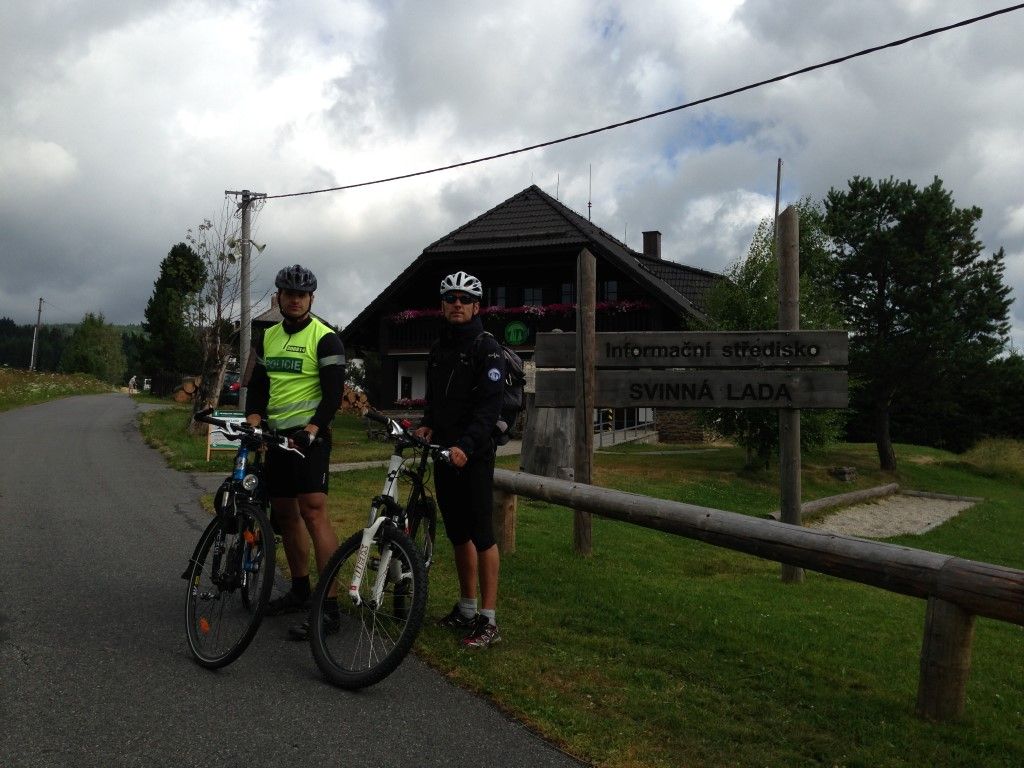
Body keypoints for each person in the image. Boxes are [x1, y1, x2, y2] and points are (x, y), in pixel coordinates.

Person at [244, 264, 345, 639]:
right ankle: (301, 589)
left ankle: (330, 606)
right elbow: (258, 385)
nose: (295, 300)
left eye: (301, 295)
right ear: (279, 297)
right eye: (288, 294)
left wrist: (313, 429)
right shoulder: (268, 338)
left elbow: (334, 395)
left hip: (309, 440)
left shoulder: (326, 338)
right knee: (285, 515)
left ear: (311, 299)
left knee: (314, 513)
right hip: (276, 439)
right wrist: (254, 419)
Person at [414, 271, 505, 648]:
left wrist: (467, 446)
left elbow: (488, 408)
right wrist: (427, 426)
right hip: (445, 452)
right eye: (450, 298)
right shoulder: (439, 349)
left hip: (475, 454)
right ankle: (466, 608)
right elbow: (436, 401)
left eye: (464, 300)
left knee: (482, 535)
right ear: (442, 304)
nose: (457, 304)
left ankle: (488, 620)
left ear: (476, 306)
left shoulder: (488, 348)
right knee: (457, 533)